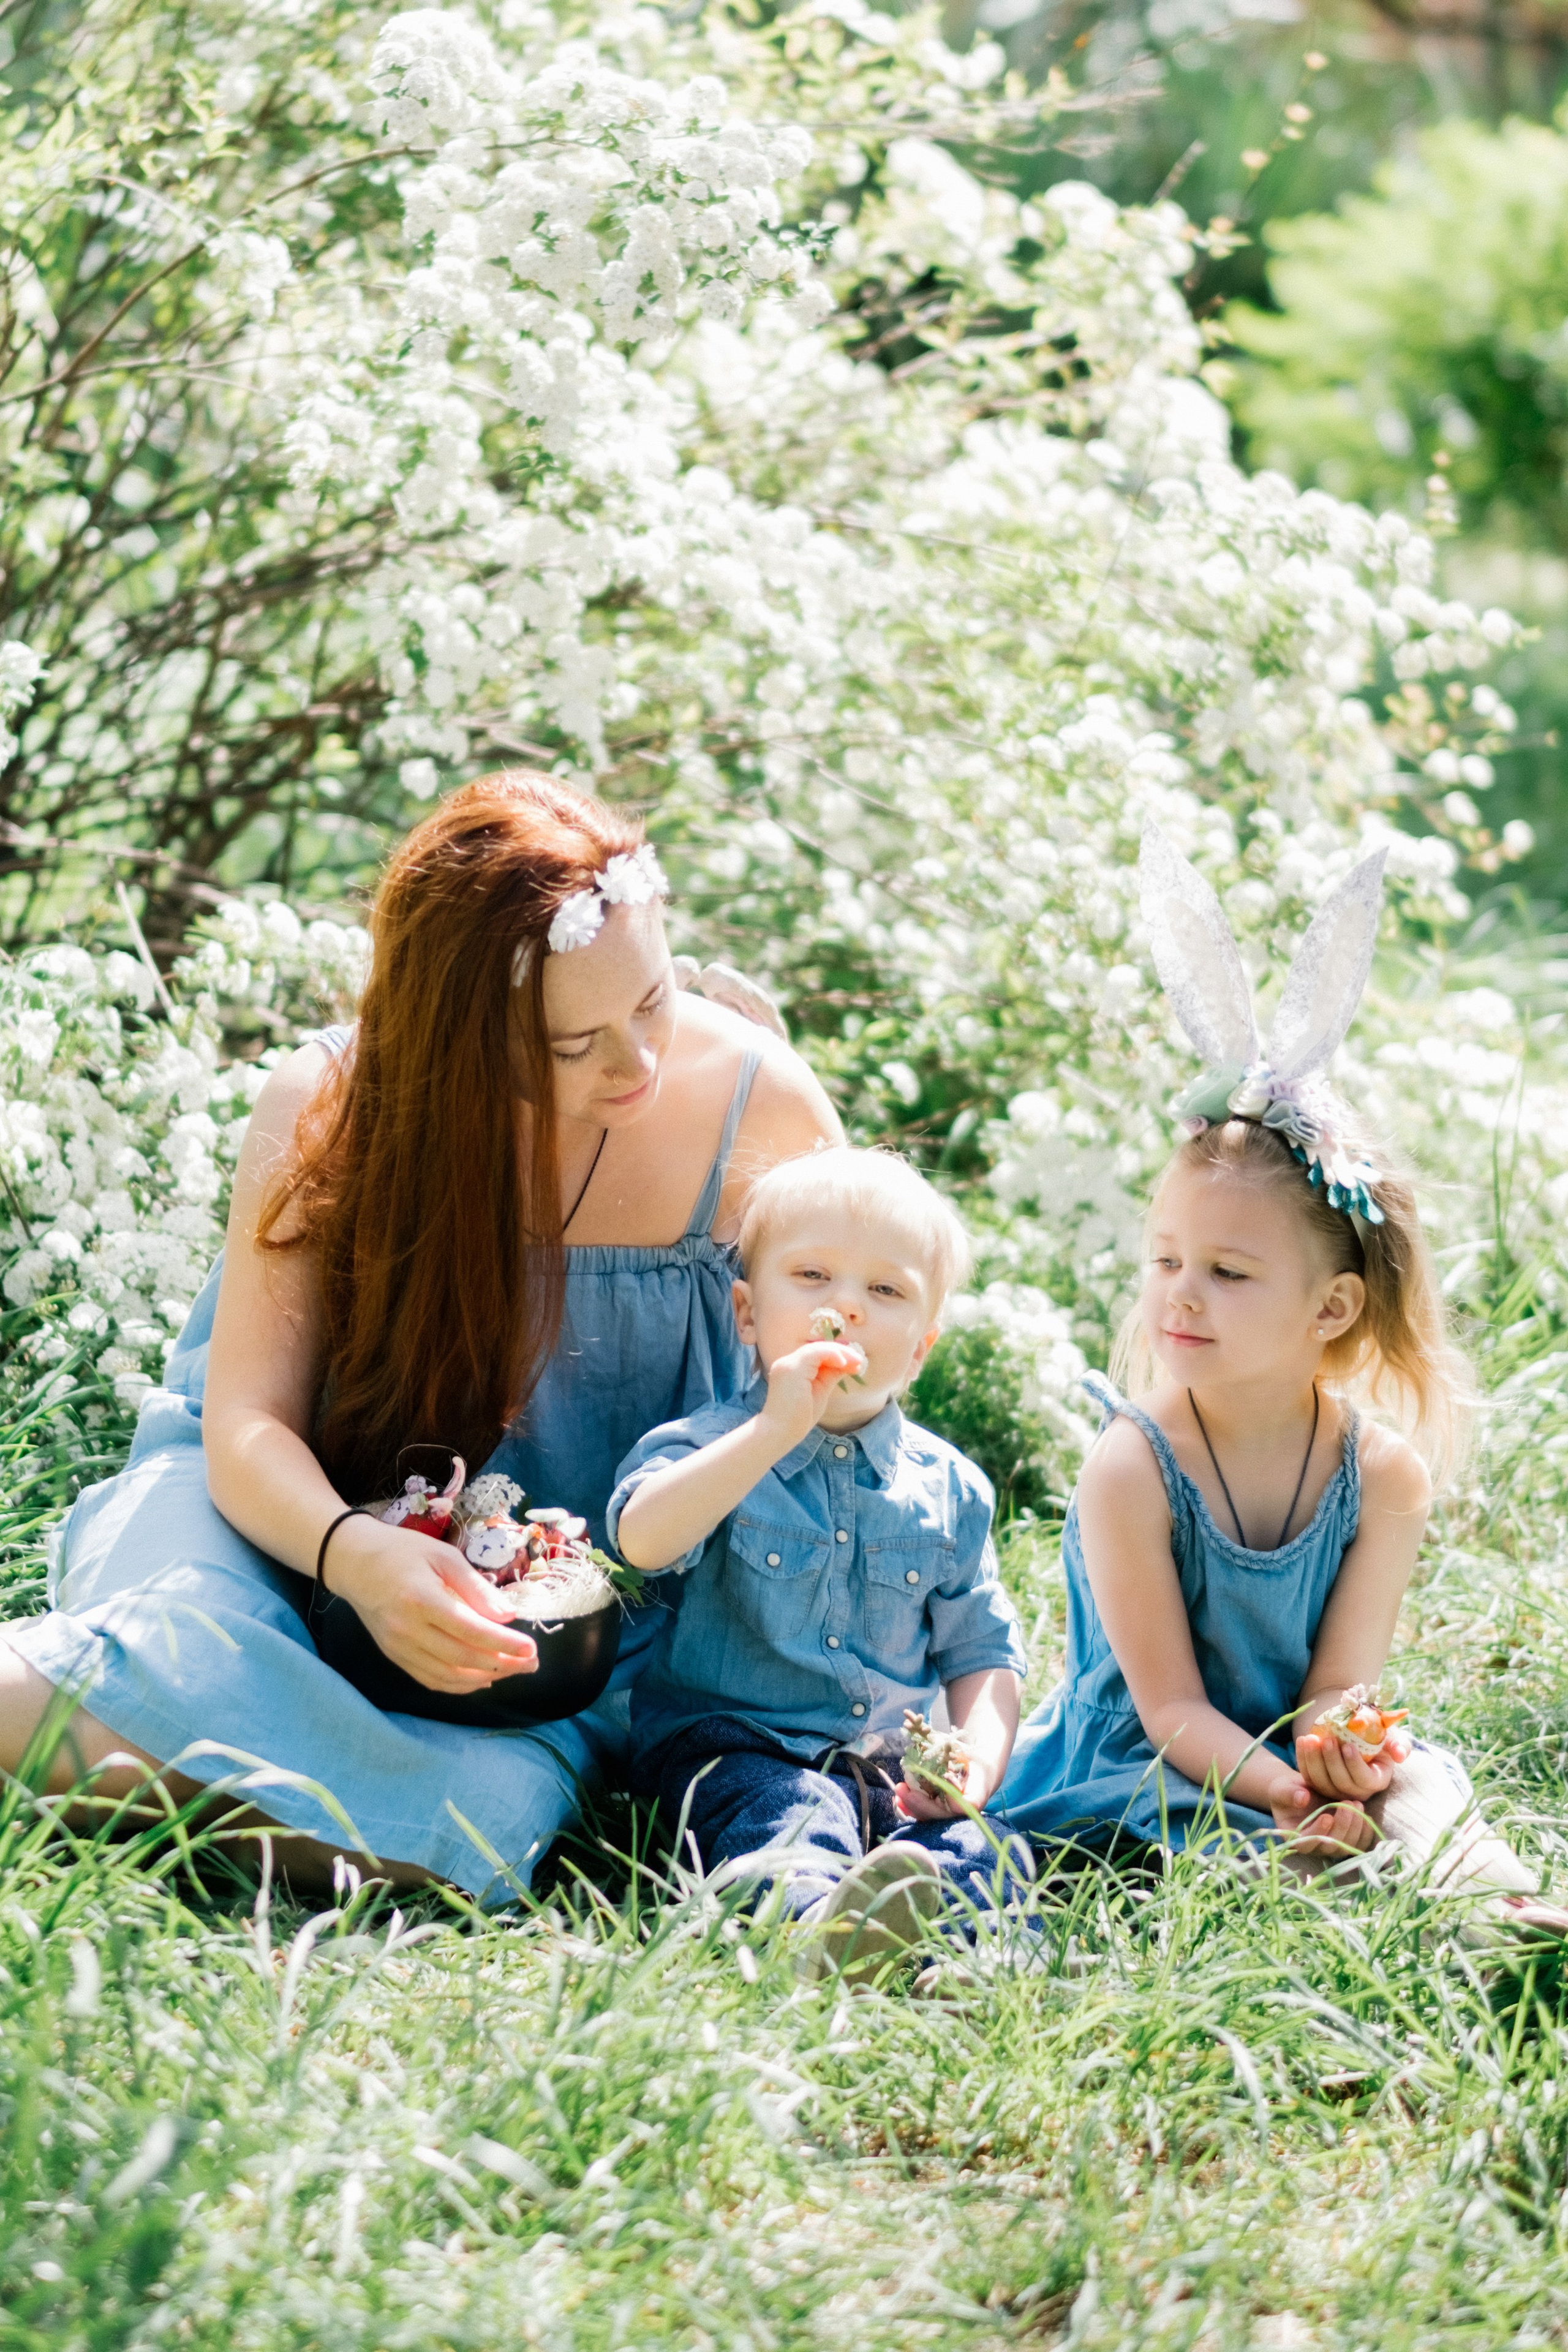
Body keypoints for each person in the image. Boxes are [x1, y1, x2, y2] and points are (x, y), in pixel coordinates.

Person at [0, 774, 839, 1900]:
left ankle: (115, 1755)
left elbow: (849, 1405)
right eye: (573, 1043)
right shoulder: (332, 1104)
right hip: (282, 1526)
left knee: (484, 1823)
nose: (635, 1064)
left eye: (652, 1004)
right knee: (180, 1643)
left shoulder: (761, 1111)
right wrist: (356, 1555)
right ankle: (205, 1758)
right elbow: (245, 1427)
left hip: (553, 1626)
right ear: (458, 1038)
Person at [993, 824, 1565, 1934]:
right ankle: (1341, 1886)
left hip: (1279, 1756)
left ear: (1332, 1308)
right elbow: (1168, 1706)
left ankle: (1495, 1905)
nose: (1180, 1296)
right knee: (1220, 1845)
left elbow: (1338, 1682)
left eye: (1228, 1272)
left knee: (1417, 1783)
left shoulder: (1380, 1477)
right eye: (1165, 1261)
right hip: (1148, 1760)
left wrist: (1338, 1748)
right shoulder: (1133, 1468)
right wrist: (1288, 1791)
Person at [610, 1147, 1028, 1977]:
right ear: (748, 1313)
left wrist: (974, 1762)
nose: (847, 1307)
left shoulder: (950, 1490)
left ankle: (979, 1963)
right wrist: (774, 1430)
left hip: (889, 1763)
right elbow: (642, 1540)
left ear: (920, 1349)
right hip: (735, 1751)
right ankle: (814, 1936)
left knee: (986, 1847)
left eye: (887, 1291)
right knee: (792, 1815)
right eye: (811, 1276)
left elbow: (983, 1653)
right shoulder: (708, 1448)